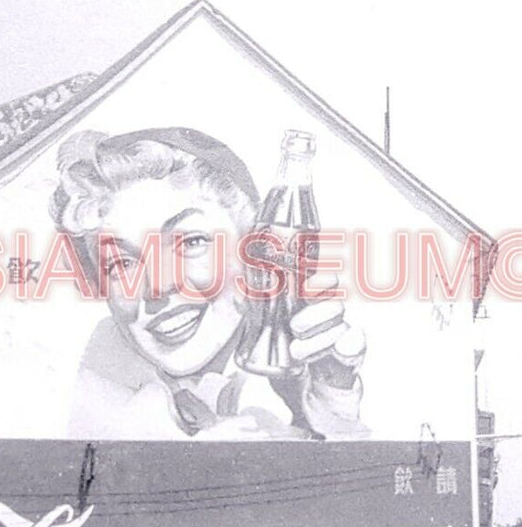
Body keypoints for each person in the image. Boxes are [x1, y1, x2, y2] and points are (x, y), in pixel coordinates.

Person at [52, 127, 368, 440]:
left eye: (191, 242)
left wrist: (334, 405)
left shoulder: (290, 379)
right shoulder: (96, 389)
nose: (158, 286)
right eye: (122, 263)